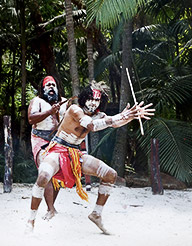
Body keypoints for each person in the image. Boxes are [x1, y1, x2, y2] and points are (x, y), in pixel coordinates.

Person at [27, 82, 154, 233]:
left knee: (111, 175)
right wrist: (121, 116)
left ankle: (96, 214)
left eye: (97, 100)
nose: (93, 103)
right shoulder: (75, 109)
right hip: (57, 150)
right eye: (90, 98)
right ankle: (31, 221)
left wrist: (131, 115)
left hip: (75, 154)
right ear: (83, 98)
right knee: (43, 176)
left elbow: (115, 122)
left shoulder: (99, 115)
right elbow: (92, 125)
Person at [27, 75, 68, 220]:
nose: (51, 87)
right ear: (42, 88)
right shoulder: (37, 101)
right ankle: (50, 210)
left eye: (53, 85)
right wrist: (50, 112)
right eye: (48, 85)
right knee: (46, 172)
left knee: (59, 175)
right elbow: (31, 119)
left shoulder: (64, 102)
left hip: (59, 141)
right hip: (40, 140)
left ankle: (52, 206)